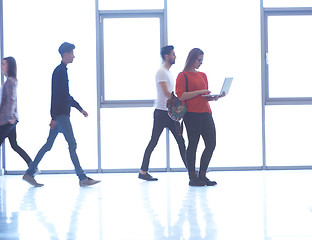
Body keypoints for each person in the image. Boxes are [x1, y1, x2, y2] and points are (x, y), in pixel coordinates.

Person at [23, 42, 100, 187]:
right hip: (61, 116)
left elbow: (65, 95)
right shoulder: (59, 71)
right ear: (65, 54)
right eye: (72, 53)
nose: (74, 56)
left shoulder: (62, 70)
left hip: (60, 115)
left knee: (48, 145)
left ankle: (29, 173)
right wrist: (53, 117)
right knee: (72, 144)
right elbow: (57, 96)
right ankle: (82, 178)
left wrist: (79, 108)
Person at [175, 48, 224, 186]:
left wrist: (214, 97)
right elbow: (181, 95)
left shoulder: (203, 75)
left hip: (205, 113)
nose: (201, 63)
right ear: (192, 59)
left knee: (211, 143)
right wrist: (200, 91)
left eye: (202, 60)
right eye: (199, 60)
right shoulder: (182, 75)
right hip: (191, 115)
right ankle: (192, 176)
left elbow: (203, 97)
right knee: (193, 145)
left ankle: (202, 174)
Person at [139, 45, 187, 181]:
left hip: (170, 112)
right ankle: (143, 172)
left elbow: (170, 93)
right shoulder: (161, 72)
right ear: (167, 56)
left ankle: (190, 170)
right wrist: (180, 101)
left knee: (180, 141)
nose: (175, 56)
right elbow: (167, 93)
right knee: (154, 141)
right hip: (161, 113)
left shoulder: (168, 72)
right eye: (173, 54)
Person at [0, 57, 33, 168]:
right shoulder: (10, 81)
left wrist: (10, 118)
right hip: (10, 120)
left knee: (14, 145)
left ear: (10, 66)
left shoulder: (9, 81)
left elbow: (11, 100)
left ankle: (32, 166)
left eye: (4, 64)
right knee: (14, 145)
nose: (2, 66)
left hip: (6, 121)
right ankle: (32, 166)